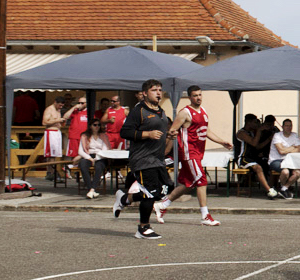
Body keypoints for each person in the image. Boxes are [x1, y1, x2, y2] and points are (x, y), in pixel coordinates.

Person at [155, 86, 232, 225]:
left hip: (198, 152)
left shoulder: (203, 111)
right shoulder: (185, 113)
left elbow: (207, 131)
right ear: (190, 97)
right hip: (188, 153)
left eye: (200, 95)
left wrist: (222, 142)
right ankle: (205, 216)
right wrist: (171, 136)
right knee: (201, 180)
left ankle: (162, 205)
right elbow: (172, 130)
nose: (198, 98)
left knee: (188, 183)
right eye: (195, 95)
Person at [112, 79, 171, 240]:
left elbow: (160, 130)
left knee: (164, 190)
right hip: (143, 159)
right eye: (154, 90)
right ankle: (143, 228)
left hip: (158, 158)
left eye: (160, 90)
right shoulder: (138, 110)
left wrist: (169, 135)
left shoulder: (160, 110)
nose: (158, 93)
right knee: (150, 193)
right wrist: (147, 134)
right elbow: (125, 132)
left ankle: (125, 199)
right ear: (144, 93)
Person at [235, 114, 279, 198]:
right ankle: (269, 190)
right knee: (258, 168)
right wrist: (259, 130)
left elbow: (258, 146)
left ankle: (272, 186)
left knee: (271, 165)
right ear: (249, 122)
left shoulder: (252, 133)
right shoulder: (241, 133)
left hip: (253, 157)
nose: (257, 124)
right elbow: (254, 143)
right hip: (243, 158)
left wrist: (269, 137)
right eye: (255, 122)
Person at [268, 119, 300, 199]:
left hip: (290, 160)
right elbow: (281, 151)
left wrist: (286, 149)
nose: (289, 127)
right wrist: (293, 147)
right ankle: (284, 189)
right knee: (285, 172)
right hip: (276, 160)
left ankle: (284, 189)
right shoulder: (277, 135)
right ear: (282, 127)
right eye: (286, 126)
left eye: (290, 126)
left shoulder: (294, 135)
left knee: (298, 172)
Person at [77, 119, 111, 198]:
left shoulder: (103, 136)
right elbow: (80, 151)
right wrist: (90, 158)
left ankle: (92, 189)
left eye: (98, 125)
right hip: (89, 155)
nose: (97, 127)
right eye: (95, 125)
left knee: (99, 166)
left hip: (101, 156)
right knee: (83, 165)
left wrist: (97, 157)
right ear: (90, 126)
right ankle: (91, 189)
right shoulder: (85, 136)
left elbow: (105, 149)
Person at [65, 96, 89, 163]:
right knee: (73, 154)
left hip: (85, 137)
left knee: (84, 154)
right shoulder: (74, 111)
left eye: (82, 103)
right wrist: (73, 108)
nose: (80, 104)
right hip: (74, 136)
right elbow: (65, 117)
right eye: (79, 103)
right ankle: (71, 167)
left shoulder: (89, 112)